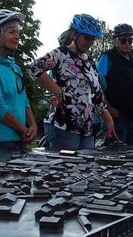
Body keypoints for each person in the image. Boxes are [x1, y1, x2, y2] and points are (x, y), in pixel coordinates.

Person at [30, 14, 118, 150]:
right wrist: (57, 90)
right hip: (63, 125)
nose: (90, 42)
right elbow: (35, 68)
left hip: (87, 127)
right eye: (86, 37)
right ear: (74, 34)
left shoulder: (89, 61)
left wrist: (108, 120)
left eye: (93, 38)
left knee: (87, 167)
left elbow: (97, 93)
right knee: (64, 168)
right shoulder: (60, 54)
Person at [0, 9, 38, 151]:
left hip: (19, 139)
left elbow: (24, 101)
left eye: (18, 32)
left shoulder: (15, 67)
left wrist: (33, 126)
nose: (17, 37)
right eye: (11, 32)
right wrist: (23, 129)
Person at [97, 23, 133, 145]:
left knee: (132, 155)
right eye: (123, 40)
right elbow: (96, 84)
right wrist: (107, 108)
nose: (127, 44)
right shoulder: (108, 57)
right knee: (114, 154)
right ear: (115, 41)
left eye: (130, 40)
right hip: (117, 118)